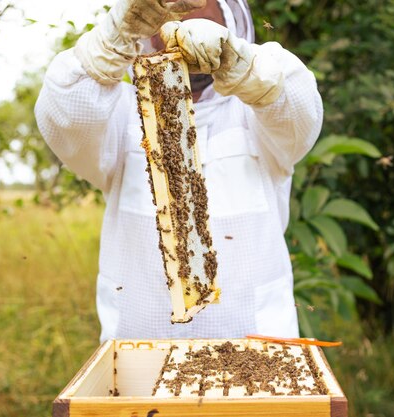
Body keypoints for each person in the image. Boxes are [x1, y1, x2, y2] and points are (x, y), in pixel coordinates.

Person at [35, 0, 323, 343]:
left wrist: (244, 68)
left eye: (195, 5)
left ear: (229, 17)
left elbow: (301, 110)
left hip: (260, 353)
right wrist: (112, 39)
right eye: (170, 9)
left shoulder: (255, 111)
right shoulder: (122, 112)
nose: (182, 21)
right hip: (138, 357)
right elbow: (64, 115)